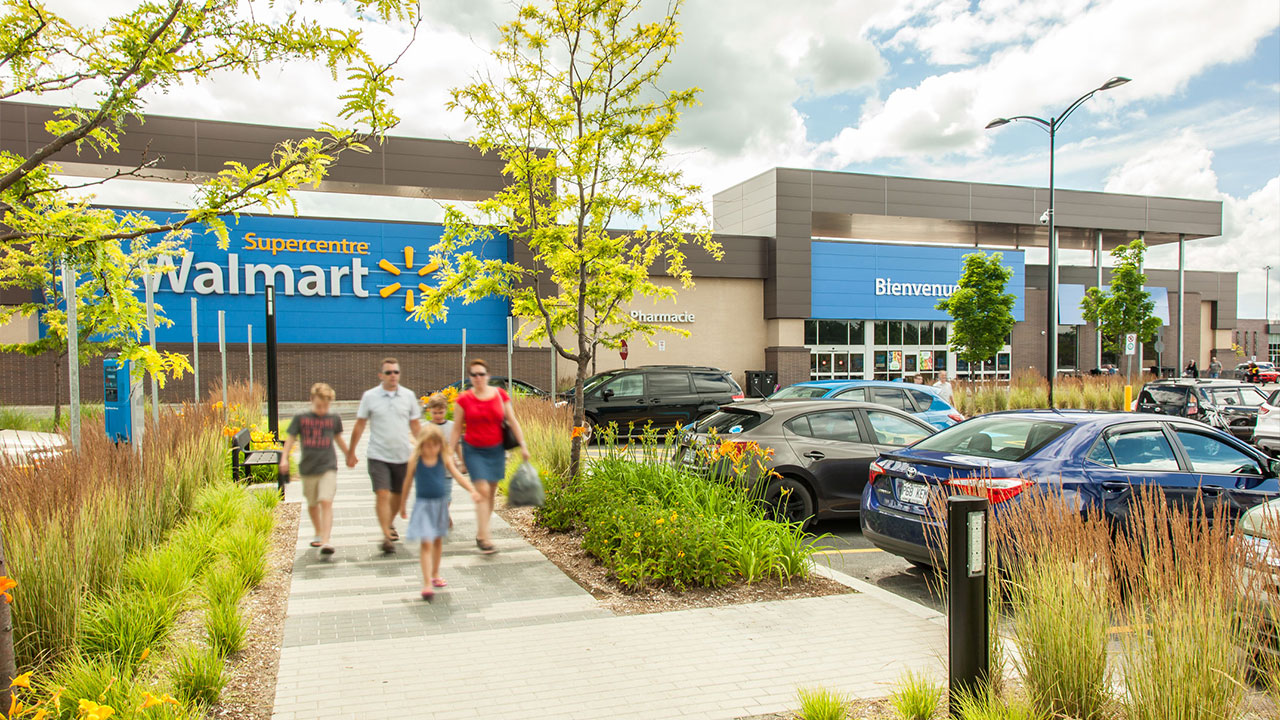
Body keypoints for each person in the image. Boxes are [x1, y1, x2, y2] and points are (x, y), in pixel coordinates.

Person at [450, 358, 529, 554]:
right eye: (474, 375)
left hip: (496, 449)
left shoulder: (500, 395)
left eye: (481, 374)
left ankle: (481, 532)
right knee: (483, 491)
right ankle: (484, 537)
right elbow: (456, 428)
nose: (478, 378)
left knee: (491, 492)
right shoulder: (464, 399)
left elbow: (512, 420)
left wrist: (524, 445)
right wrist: (448, 452)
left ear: (488, 376)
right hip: (473, 450)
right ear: (470, 378)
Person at [347, 358, 423, 554]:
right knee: (382, 493)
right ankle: (386, 536)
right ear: (381, 375)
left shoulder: (408, 396)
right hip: (377, 455)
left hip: (402, 456)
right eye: (388, 372)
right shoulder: (370, 397)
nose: (393, 376)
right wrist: (351, 451)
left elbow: (415, 426)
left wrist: (426, 449)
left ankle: (389, 524)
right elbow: (360, 424)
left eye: (396, 372)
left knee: (398, 496)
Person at [400, 424, 479, 601]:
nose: (431, 449)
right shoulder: (416, 459)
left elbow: (458, 476)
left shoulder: (443, 458)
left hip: (440, 506)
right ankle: (427, 583)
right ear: (421, 445)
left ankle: (435, 573)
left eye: (434, 445)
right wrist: (403, 504)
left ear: (439, 445)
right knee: (426, 543)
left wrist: (472, 490)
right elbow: (407, 482)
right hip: (423, 506)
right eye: (427, 445)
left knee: (437, 541)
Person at [280, 382, 349, 556]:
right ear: (311, 400)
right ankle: (318, 532)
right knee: (312, 505)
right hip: (308, 468)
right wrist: (284, 459)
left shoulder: (333, 418)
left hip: (328, 466)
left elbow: (338, 438)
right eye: (319, 406)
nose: (322, 410)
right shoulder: (301, 418)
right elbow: (290, 439)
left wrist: (349, 454)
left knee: (326, 501)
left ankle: (326, 541)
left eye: (326, 406)